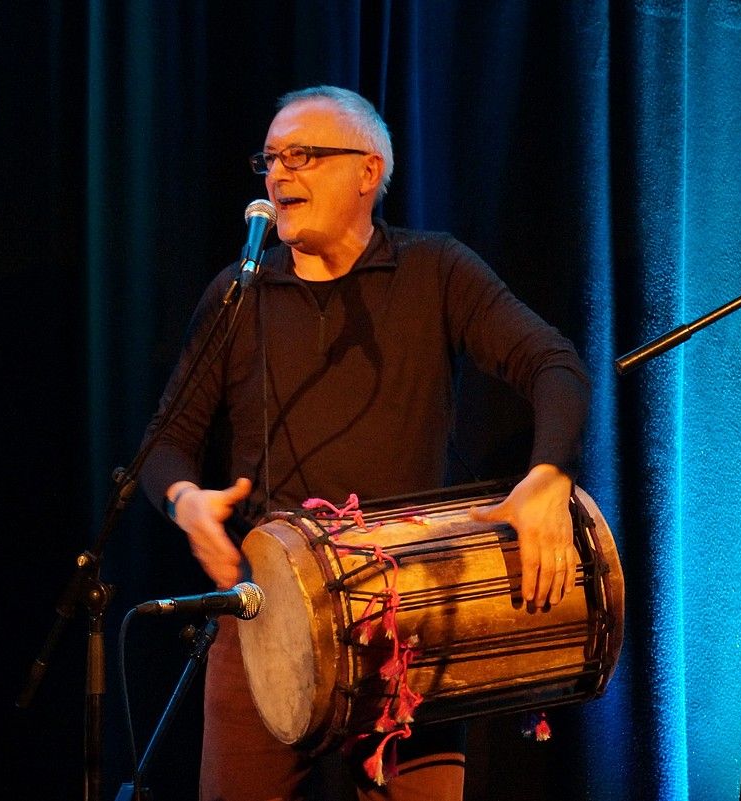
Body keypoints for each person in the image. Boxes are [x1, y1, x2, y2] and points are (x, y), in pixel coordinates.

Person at [139, 85, 591, 801]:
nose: (279, 173)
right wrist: (185, 499)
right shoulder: (237, 292)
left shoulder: (435, 270)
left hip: (406, 609)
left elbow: (553, 363)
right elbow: (166, 442)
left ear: (367, 172)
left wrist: (548, 474)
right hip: (264, 612)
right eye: (271, 157)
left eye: (304, 154)